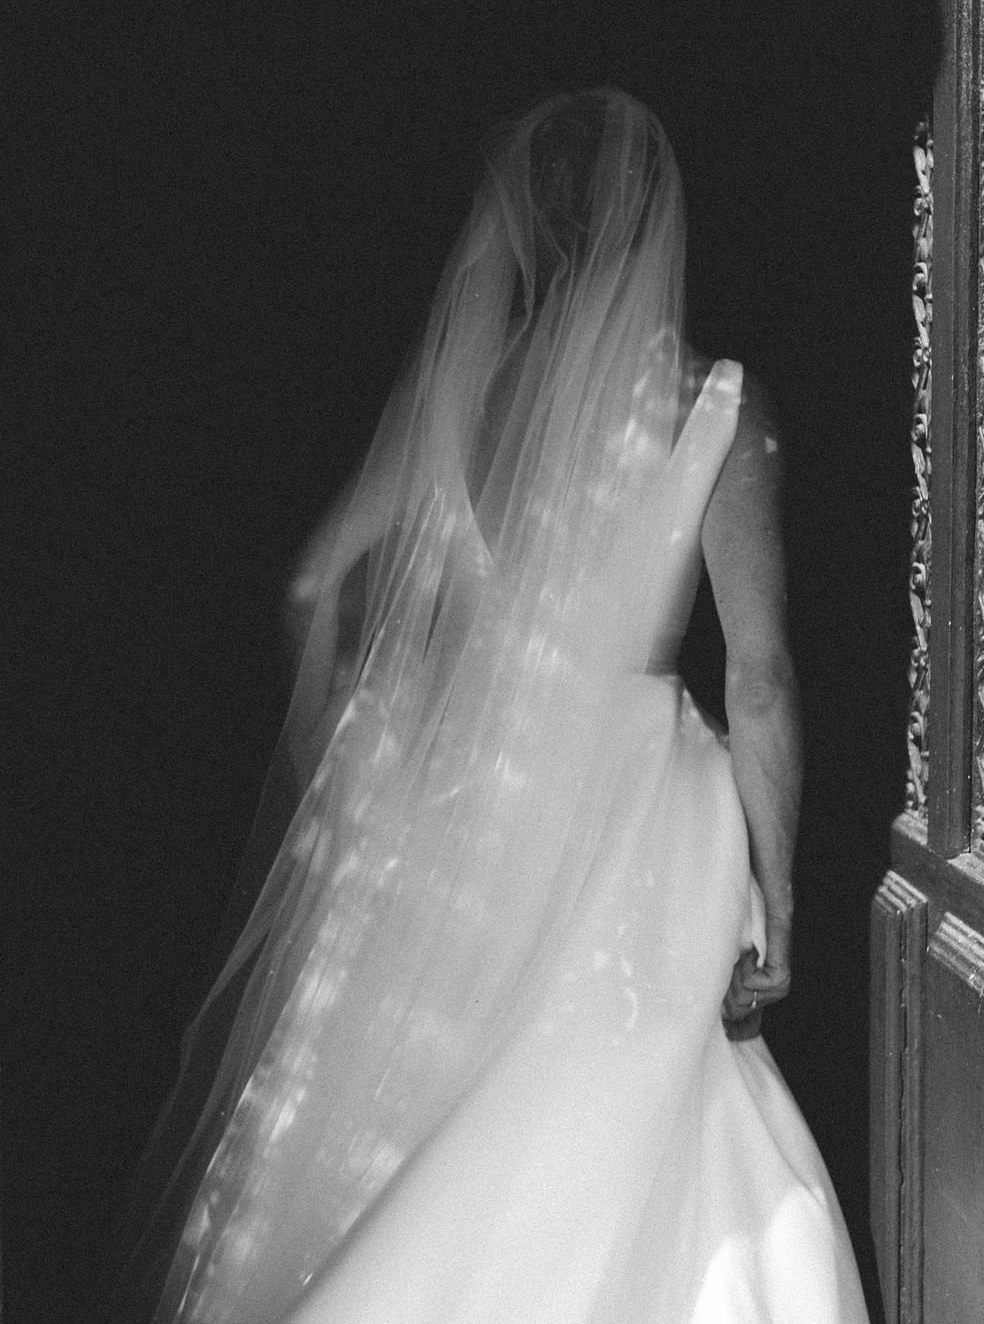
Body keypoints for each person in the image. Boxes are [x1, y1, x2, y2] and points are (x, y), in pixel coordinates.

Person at [109, 87, 869, 1322]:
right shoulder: (719, 406)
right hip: (643, 804)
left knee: (464, 1094)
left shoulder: (463, 398)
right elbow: (764, 676)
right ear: (648, 227)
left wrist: (372, 756)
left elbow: (313, 589)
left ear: (518, 227)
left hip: (474, 787)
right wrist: (781, 902)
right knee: (636, 1091)